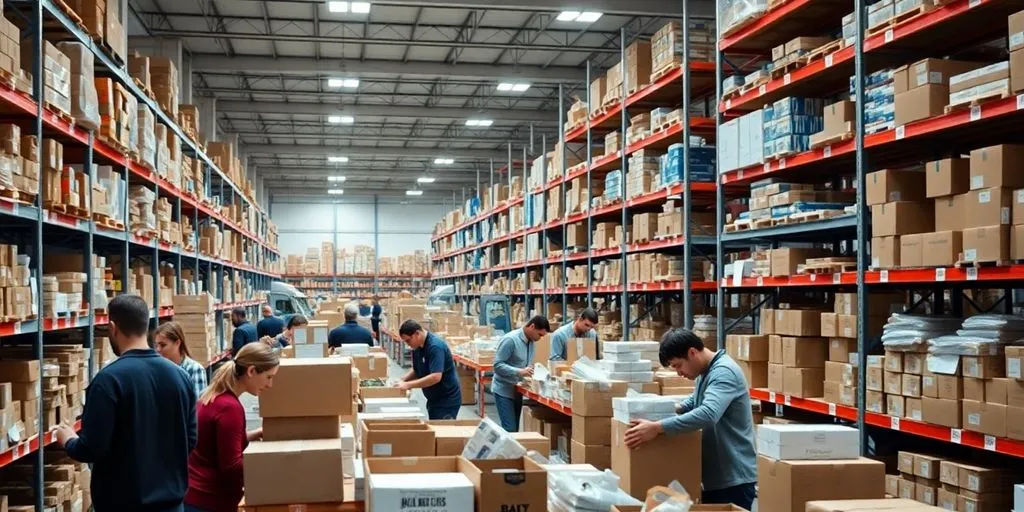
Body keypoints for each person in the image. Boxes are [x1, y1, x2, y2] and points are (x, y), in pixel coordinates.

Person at [55, 294, 197, 511]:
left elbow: (92, 448)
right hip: (172, 504)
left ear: (113, 327)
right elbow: (190, 440)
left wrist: (68, 440)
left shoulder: (108, 381)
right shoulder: (180, 377)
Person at [623, 328, 757, 510]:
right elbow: (694, 401)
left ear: (692, 353)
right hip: (716, 476)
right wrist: (661, 409)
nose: (679, 373)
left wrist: (657, 427)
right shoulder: (706, 372)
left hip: (733, 479)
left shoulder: (724, 372)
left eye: (678, 365)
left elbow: (708, 414)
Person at [185, 342, 280, 512]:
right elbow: (231, 467)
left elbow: (216, 444)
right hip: (208, 501)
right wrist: (274, 463)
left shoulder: (215, 397)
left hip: (195, 496)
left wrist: (252, 435)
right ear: (251, 371)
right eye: (269, 377)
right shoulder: (229, 408)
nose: (270, 385)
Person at [492, 315, 551, 432]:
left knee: (515, 430)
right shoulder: (510, 340)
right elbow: (497, 365)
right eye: (539, 334)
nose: (540, 338)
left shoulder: (531, 341)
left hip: (517, 390)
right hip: (504, 390)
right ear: (532, 326)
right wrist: (519, 371)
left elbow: (523, 363)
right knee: (510, 428)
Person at [397, 319, 462, 420]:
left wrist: (408, 385)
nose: (407, 344)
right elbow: (416, 369)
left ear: (417, 333)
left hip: (446, 399)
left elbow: (436, 377)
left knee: (442, 431)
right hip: (434, 398)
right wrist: (402, 380)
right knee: (434, 427)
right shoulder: (416, 347)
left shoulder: (435, 347)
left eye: (408, 340)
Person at [154, 321, 209, 398]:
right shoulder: (156, 370)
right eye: (156, 345)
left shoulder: (194, 369)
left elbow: (197, 405)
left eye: (163, 345)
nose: (158, 349)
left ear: (177, 343)